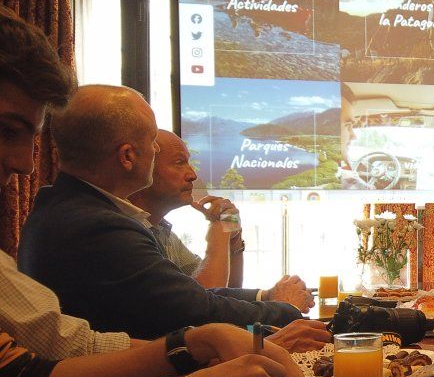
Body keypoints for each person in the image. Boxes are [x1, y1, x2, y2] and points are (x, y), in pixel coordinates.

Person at [0, 7, 311, 377]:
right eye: (7, 130)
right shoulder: (92, 226)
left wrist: (192, 345)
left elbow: (34, 368)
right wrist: (192, 376)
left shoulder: (120, 219)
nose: (22, 164)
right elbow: (197, 302)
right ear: (130, 156)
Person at [18, 84, 316, 340]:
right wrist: (285, 308)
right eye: (155, 148)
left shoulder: (83, 212)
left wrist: (263, 288)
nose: (193, 175)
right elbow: (197, 307)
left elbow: (207, 293)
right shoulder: (100, 227)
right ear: (128, 157)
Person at [129, 129, 244, 289]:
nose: (192, 175)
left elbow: (227, 291)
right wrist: (218, 229)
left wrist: (233, 235)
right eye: (179, 162)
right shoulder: (127, 233)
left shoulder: (163, 233)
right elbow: (203, 302)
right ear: (144, 168)